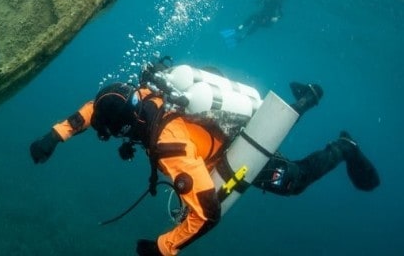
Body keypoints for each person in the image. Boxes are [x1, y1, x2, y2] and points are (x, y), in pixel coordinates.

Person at [29, 60, 379, 256]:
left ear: (124, 125)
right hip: (217, 132)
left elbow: (208, 213)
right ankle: (308, 99)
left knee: (293, 182)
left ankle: (343, 146)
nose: (108, 134)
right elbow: (96, 108)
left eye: (111, 131)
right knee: (273, 133)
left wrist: (163, 247)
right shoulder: (143, 95)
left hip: (232, 152)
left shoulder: (169, 146)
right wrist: (54, 136)